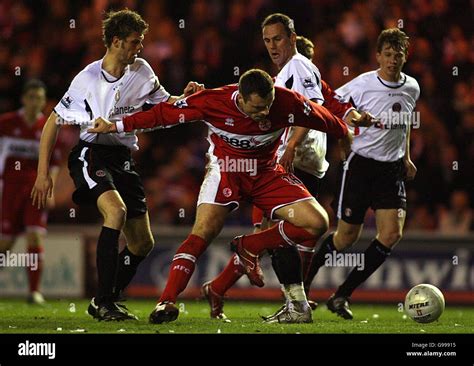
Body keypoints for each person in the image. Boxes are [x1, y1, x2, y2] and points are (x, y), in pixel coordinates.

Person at [88, 68, 353, 324]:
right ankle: (166, 301)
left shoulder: (287, 101)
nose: (264, 113)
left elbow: (325, 118)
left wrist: (345, 133)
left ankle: (250, 245)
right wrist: (116, 125)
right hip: (226, 171)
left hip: (266, 173)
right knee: (202, 232)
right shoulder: (212, 101)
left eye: (268, 105)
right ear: (240, 96)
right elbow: (162, 115)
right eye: (257, 107)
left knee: (317, 222)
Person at [31, 9, 203, 321]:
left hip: (123, 158)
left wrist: (185, 97)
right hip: (91, 153)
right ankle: (102, 301)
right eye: (135, 42)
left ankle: (106, 298)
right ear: (116, 41)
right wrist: (43, 175)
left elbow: (163, 103)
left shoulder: (142, 69)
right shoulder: (88, 78)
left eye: (141, 42)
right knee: (116, 211)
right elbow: (52, 124)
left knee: (142, 243)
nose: (140, 47)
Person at [201, 15, 371, 323]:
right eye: (267, 40)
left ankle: (290, 301)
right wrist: (348, 119)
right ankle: (282, 298)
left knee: (278, 234)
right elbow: (330, 100)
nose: (272, 46)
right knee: (287, 234)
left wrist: (291, 146)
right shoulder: (294, 72)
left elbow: (313, 109)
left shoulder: (298, 66)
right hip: (309, 162)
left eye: (277, 39)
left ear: (292, 38)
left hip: (294, 159)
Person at [305, 28, 420, 319]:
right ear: (378, 56)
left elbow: (404, 123)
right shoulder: (362, 84)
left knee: (391, 234)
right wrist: (345, 135)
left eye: (399, 55)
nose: (393, 60)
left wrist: (406, 156)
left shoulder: (412, 88)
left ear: (405, 57)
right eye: (388, 54)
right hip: (361, 166)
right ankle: (303, 287)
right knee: (345, 240)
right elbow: (333, 105)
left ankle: (341, 295)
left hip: (391, 170)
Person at [0, 79, 61, 305]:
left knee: (35, 235)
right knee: (5, 243)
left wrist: (50, 187)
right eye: (31, 97)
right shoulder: (6, 123)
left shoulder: (48, 128)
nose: (35, 102)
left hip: (35, 190)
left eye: (39, 98)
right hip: (7, 189)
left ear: (44, 101)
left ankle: (34, 291)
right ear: (23, 99)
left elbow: (54, 163)